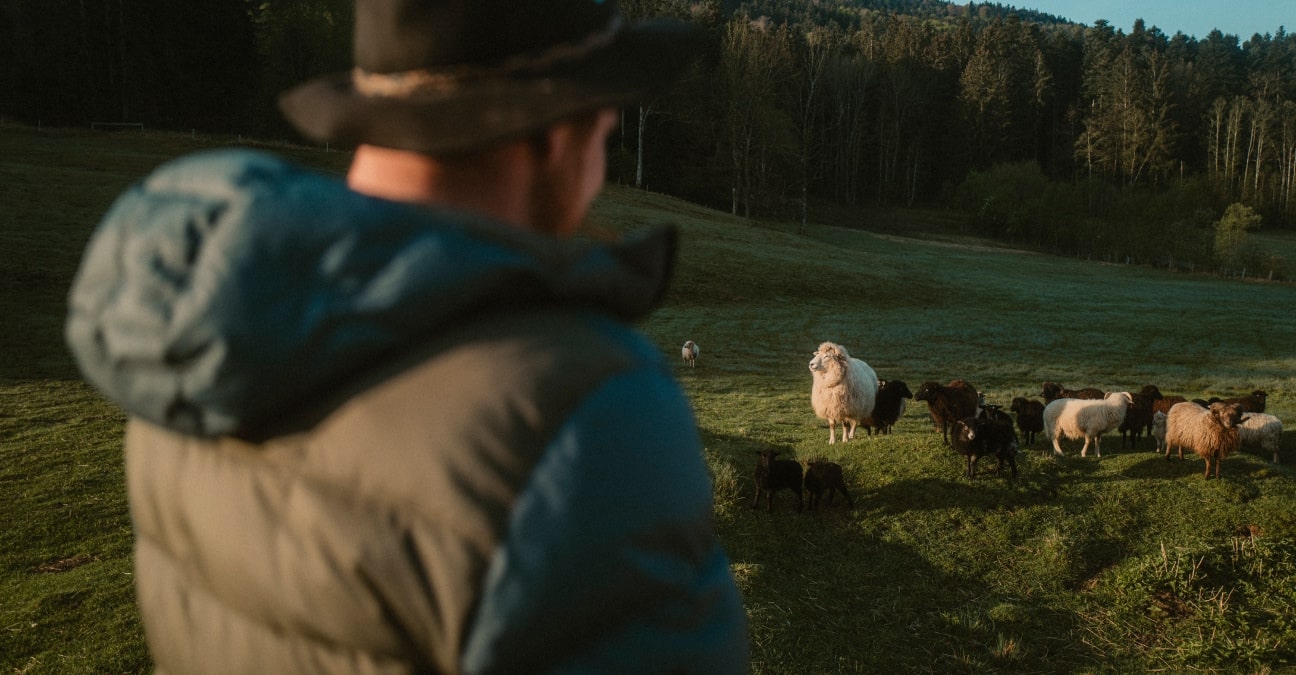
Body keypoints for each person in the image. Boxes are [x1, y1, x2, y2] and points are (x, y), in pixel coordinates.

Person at [64, 0, 749, 672]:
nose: (599, 170)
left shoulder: (196, 337)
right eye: (603, 133)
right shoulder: (582, 422)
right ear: (551, 133)